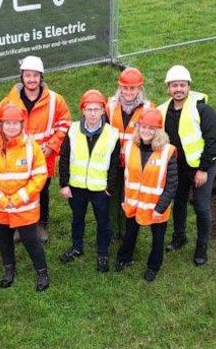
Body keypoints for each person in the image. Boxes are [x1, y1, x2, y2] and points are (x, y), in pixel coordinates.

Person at [0, 104, 50, 292]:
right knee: (4, 240)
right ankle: (8, 270)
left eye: (15, 123)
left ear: (21, 125)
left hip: (25, 207)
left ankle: (42, 272)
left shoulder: (32, 147)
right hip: (0, 207)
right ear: (0, 125)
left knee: (31, 240)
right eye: (6, 123)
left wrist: (18, 198)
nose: (10, 127)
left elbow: (40, 175)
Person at [0, 55, 70, 243]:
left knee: (41, 192)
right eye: (28, 75)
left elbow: (64, 124)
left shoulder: (56, 100)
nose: (32, 79)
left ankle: (41, 225)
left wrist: (52, 146)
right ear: (22, 77)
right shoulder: (7, 103)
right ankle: (20, 226)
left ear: (41, 77)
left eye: (35, 75)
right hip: (17, 160)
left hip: (44, 158)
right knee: (18, 191)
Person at [158, 64, 216, 266]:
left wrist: (203, 170)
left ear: (189, 86)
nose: (178, 89)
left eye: (182, 85)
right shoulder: (162, 110)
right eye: (174, 85)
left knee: (201, 208)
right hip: (178, 168)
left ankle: (202, 248)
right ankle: (179, 237)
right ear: (168, 88)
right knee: (179, 203)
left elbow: (212, 142)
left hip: (201, 168)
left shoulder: (203, 110)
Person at [58, 89, 121, 273]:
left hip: (100, 189)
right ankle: (77, 247)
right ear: (83, 110)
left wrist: (109, 187)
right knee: (77, 220)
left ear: (103, 111)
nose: (93, 113)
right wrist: (64, 184)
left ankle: (102, 253)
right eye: (89, 109)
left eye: (97, 109)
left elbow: (115, 164)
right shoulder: (72, 130)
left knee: (103, 223)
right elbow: (64, 157)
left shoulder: (112, 134)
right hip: (76, 188)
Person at [114, 108, 178, 282]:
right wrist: (124, 200)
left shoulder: (168, 151)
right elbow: (125, 176)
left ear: (158, 131)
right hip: (133, 203)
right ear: (139, 127)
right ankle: (124, 258)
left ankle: (153, 266)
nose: (147, 131)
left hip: (156, 206)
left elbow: (172, 184)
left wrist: (160, 208)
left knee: (158, 239)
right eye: (143, 127)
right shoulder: (129, 146)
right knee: (130, 233)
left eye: (151, 128)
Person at [106, 67, 154, 240]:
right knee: (111, 195)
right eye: (125, 88)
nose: (128, 92)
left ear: (139, 89)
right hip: (112, 161)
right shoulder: (110, 105)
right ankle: (112, 229)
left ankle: (127, 231)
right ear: (120, 87)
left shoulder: (148, 109)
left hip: (134, 163)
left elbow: (152, 135)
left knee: (130, 196)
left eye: (132, 88)